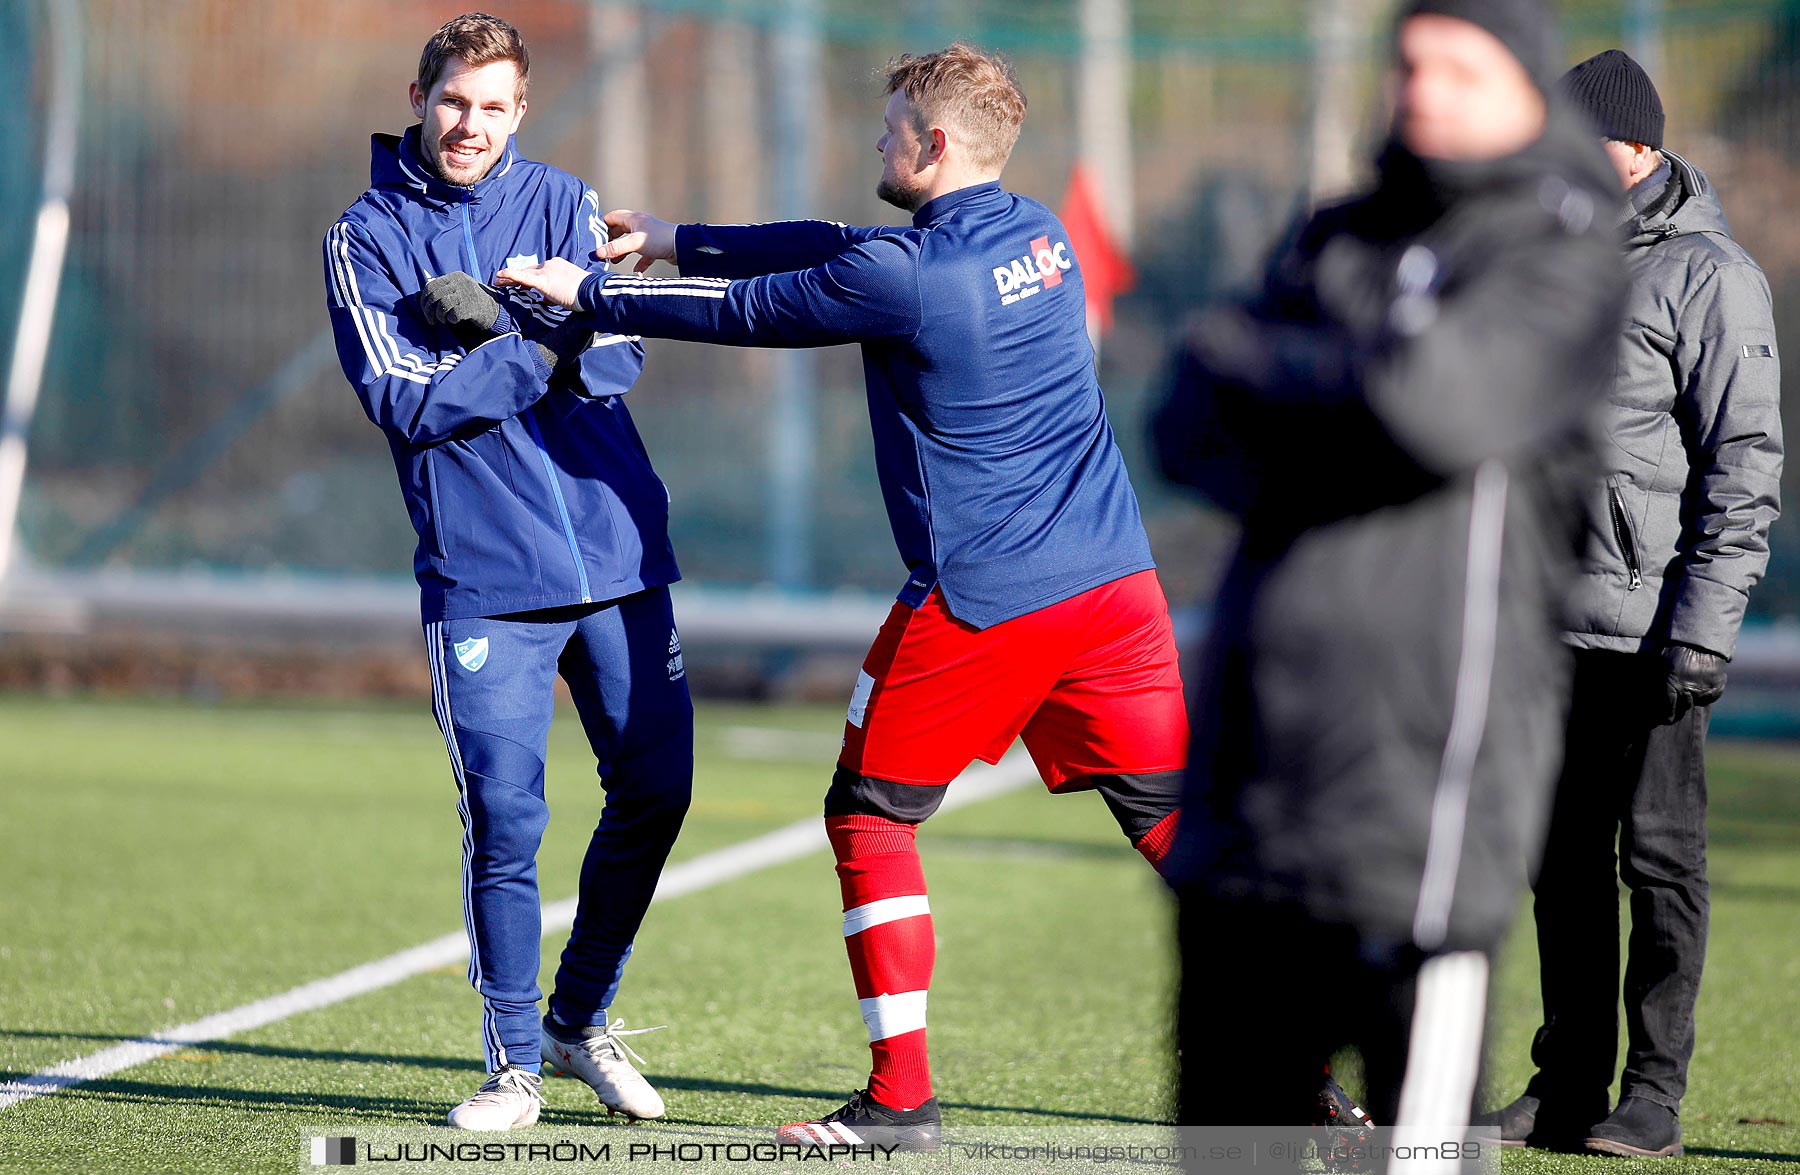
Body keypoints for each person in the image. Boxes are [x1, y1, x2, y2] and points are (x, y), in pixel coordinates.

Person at [497, 43, 1188, 1152]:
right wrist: (677, 236)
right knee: (1173, 827)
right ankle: (1298, 1070)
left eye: (892, 127)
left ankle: (901, 1098)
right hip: (1118, 590)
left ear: (937, 144)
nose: (877, 141)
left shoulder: (912, 275)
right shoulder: (1040, 234)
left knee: (869, 812)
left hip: (988, 600)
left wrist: (593, 291)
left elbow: (754, 314)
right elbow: (832, 246)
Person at [1151, 0, 1627, 1148]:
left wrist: (1285, 372)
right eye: (1409, 60)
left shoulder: (1561, 246)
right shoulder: (1340, 231)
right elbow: (1185, 414)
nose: (1422, 86)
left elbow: (1436, 408)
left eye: (1458, 64)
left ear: (1522, 84)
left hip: (1424, 807)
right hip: (1251, 794)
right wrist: (1357, 369)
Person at [323, 13, 690, 1131]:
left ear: (519, 113)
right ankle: (512, 1069)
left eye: (492, 106)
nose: (469, 124)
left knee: (658, 791)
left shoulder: (567, 201)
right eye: (452, 100)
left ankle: (578, 1019)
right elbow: (404, 397)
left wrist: (514, 329)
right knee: (506, 815)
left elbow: (620, 354)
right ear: (420, 96)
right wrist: (537, 344)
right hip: (484, 575)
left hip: (619, 552)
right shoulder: (365, 234)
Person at [1482, 49, 1783, 1159]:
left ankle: (1651, 1095)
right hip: (1539, 625)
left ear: (1639, 149)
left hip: (1652, 632)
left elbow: (1745, 464)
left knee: (1661, 862)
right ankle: (1566, 1086)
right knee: (1559, 867)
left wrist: (1702, 629)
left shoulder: (1711, 276)